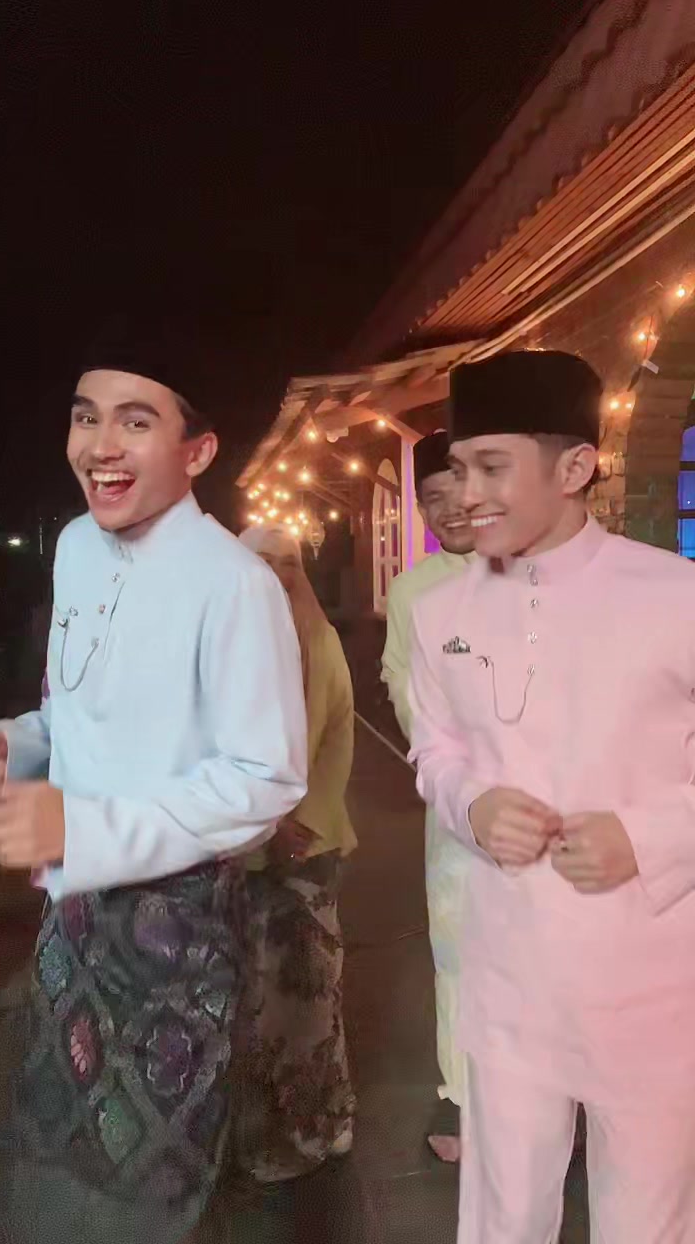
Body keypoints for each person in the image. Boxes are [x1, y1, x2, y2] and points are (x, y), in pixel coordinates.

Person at [0, 321, 308, 1244]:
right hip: (71, 924)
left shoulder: (234, 584)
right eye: (86, 417)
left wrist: (81, 830)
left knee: (149, 1182)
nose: (100, 446)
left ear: (196, 451)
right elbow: (72, 710)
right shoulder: (77, 546)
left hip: (174, 937)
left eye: (135, 421)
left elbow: (266, 777)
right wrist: (8, 747)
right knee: (52, 1151)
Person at [408, 348, 695, 1243]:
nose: (467, 494)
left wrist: (650, 836)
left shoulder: (676, 596)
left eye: (492, 467)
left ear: (574, 469)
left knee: (646, 1219)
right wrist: (471, 806)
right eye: (459, 468)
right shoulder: (438, 613)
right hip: (508, 969)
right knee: (502, 1214)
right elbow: (435, 749)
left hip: (650, 973)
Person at [234, 523, 356, 1183]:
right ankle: (310, 1121)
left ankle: (315, 1130)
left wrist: (297, 823)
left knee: (306, 994)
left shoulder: (317, 638)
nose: (277, 574)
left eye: (288, 563)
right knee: (260, 997)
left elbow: (333, 738)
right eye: (262, 561)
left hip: (305, 848)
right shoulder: (229, 643)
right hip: (246, 850)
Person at [381, 431, 475, 1163]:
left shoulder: (537, 575)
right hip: (457, 807)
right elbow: (400, 681)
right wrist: (449, 766)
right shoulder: (413, 591)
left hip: (553, 807)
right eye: (431, 499)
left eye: (458, 491)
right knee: (459, 951)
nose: (448, 510)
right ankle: (465, 1097)